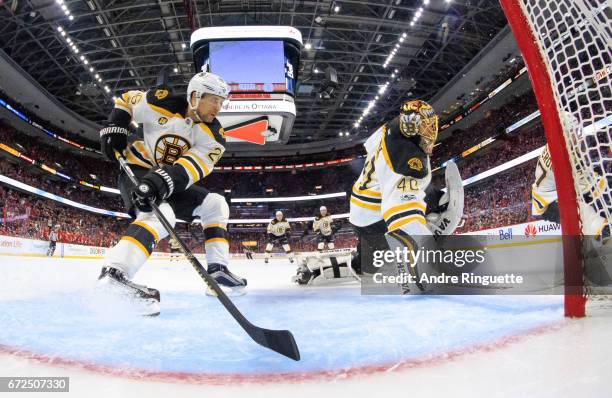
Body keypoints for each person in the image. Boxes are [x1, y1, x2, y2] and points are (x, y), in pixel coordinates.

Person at [96, 69, 246, 316]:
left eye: (222, 102)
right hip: (137, 167)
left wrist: (161, 181)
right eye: (214, 100)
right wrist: (117, 125)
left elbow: (190, 169)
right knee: (159, 214)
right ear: (196, 96)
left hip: (171, 181)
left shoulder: (215, 137)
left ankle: (218, 270)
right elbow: (126, 100)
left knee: (216, 204)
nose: (218, 107)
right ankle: (114, 274)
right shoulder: (160, 101)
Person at [348, 99, 464, 292]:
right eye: (425, 127)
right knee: (425, 202)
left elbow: (370, 147)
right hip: (375, 219)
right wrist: (427, 255)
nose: (430, 133)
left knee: (369, 261)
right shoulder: (406, 155)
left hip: (361, 214)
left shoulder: (392, 129)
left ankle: (361, 262)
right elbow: (401, 216)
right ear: (411, 125)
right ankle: (436, 222)